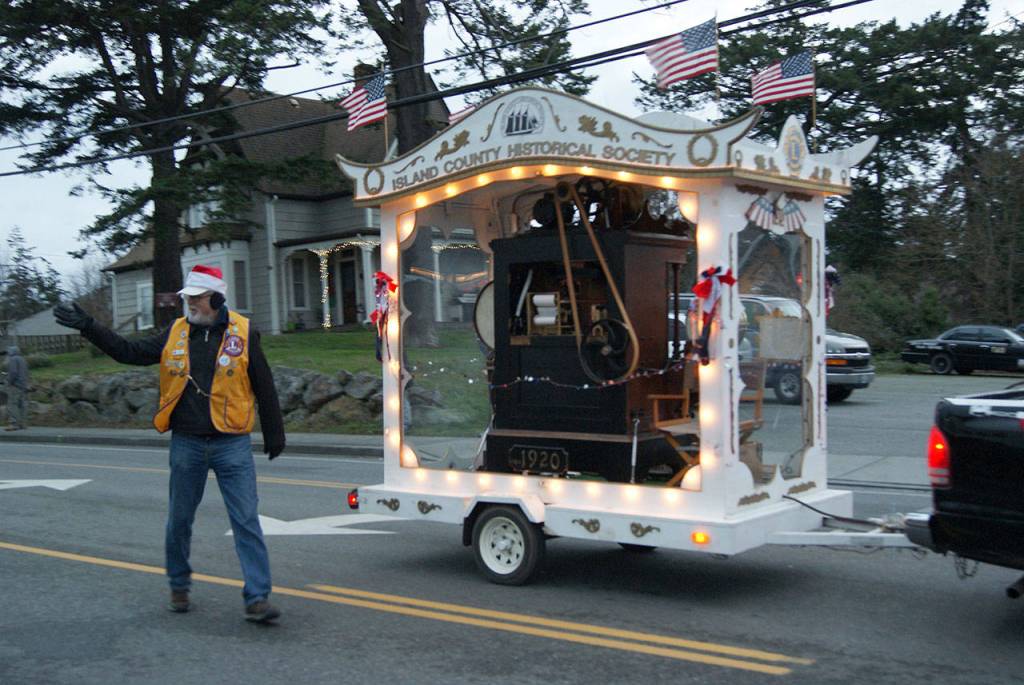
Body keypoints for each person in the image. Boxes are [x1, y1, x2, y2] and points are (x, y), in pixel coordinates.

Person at [54, 264, 286, 623]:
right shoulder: (175, 333)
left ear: (216, 299)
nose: (190, 303)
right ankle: (179, 585)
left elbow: (263, 384)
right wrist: (89, 327)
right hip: (187, 443)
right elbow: (128, 352)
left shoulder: (244, 331)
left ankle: (257, 598)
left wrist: (274, 432)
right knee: (179, 519)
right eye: (187, 298)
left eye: (197, 298)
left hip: (232, 443)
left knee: (246, 520)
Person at [5, 345, 29, 431]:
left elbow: (13, 372)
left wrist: (9, 381)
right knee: (22, 405)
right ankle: (23, 424)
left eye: (9, 352)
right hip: (23, 385)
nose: (8, 354)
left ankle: (13, 424)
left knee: (12, 404)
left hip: (15, 386)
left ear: (11, 352)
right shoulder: (23, 359)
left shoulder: (13, 359)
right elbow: (26, 373)